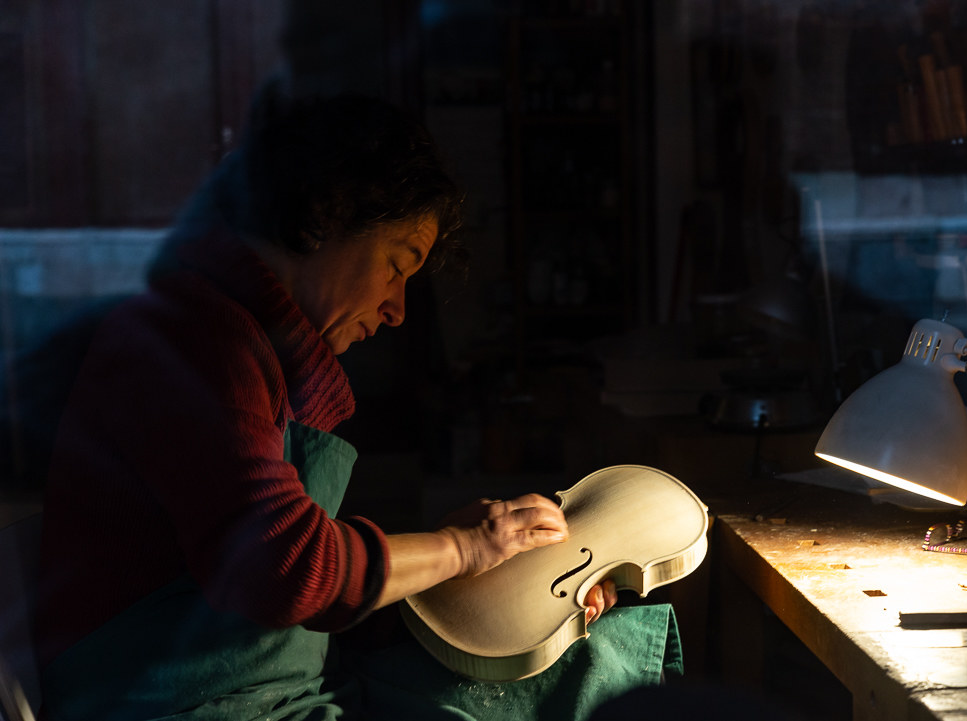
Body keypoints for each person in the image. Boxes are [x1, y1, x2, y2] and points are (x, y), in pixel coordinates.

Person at [32, 75, 679, 721]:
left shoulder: (251, 345)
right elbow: (291, 569)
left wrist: (513, 594)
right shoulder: (197, 343)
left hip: (269, 686)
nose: (397, 310)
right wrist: (459, 548)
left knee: (592, 654)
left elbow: (308, 596)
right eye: (398, 265)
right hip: (183, 705)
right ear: (326, 215)